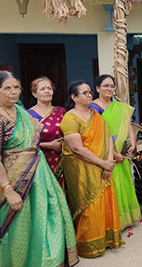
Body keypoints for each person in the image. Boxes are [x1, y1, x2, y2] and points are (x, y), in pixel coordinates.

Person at [0, 71, 78, 266]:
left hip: (40, 175)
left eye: (16, 87)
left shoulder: (21, 113)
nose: (13, 92)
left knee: (46, 220)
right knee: (18, 226)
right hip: (14, 180)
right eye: (7, 88)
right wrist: (8, 190)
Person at [61, 80, 122, 258]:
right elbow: (76, 149)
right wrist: (101, 162)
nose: (89, 95)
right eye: (85, 93)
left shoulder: (96, 115)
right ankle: (89, 245)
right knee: (89, 207)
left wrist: (109, 161)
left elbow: (107, 138)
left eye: (89, 92)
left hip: (103, 166)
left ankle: (106, 239)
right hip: (82, 169)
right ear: (74, 97)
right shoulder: (70, 118)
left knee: (104, 204)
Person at [89, 74, 141, 229]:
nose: (109, 89)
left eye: (112, 86)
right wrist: (112, 153)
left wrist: (132, 142)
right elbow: (96, 134)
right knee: (110, 186)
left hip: (121, 151)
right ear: (97, 88)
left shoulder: (119, 106)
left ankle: (125, 219)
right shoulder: (93, 107)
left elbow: (128, 125)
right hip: (104, 152)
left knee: (123, 182)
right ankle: (113, 222)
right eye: (105, 85)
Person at [27, 76, 65, 187]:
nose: (47, 91)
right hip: (39, 162)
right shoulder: (28, 115)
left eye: (49, 88)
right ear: (35, 94)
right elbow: (25, 143)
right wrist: (49, 145)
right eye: (42, 89)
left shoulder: (61, 111)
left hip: (62, 161)